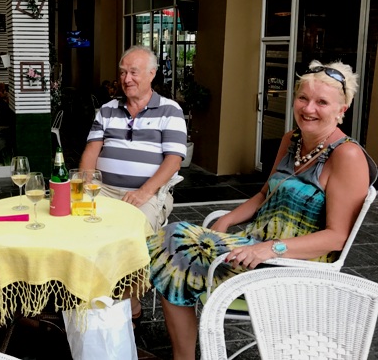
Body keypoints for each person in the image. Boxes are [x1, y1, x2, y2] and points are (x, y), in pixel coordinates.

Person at [148, 60, 377, 360]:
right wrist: (227, 220)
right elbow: (263, 194)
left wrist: (271, 248)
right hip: (253, 249)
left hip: (292, 269)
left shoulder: (347, 156)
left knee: (174, 247)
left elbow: (337, 237)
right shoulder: (292, 140)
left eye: (322, 102)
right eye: (303, 98)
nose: (309, 108)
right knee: (171, 244)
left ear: (341, 110)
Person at [80, 46, 187, 232]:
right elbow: (91, 152)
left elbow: (174, 162)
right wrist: (85, 184)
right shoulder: (107, 110)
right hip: (102, 189)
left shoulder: (170, 110)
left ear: (151, 74)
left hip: (148, 193)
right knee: (76, 221)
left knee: (134, 230)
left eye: (133, 73)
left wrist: (144, 192)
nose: (126, 79)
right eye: (123, 73)